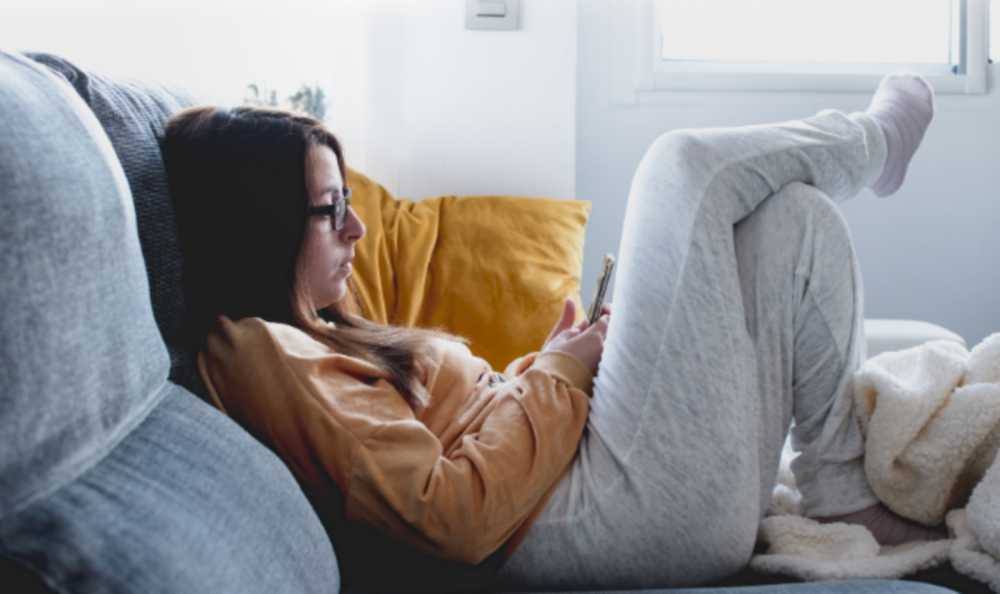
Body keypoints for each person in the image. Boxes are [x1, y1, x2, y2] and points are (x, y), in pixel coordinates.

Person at [162, 73, 941, 590]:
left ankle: (838, 484)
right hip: (594, 518)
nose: (356, 227)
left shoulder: (313, 336)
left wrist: (554, 364)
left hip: (589, 482)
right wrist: (558, 376)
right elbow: (450, 510)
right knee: (680, 169)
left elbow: (460, 434)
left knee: (791, 222)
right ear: (257, 229)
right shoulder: (256, 351)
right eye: (330, 208)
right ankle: (871, 143)